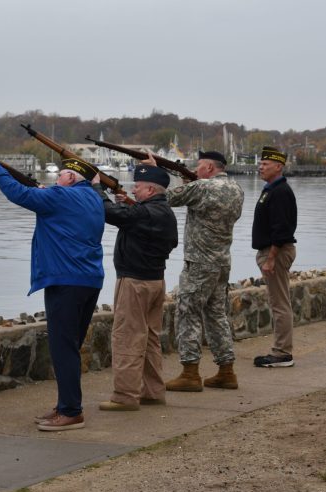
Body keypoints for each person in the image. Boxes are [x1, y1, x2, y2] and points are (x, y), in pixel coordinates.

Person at [0, 151, 105, 431]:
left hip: (64, 280)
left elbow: (18, 194)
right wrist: (51, 194)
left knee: (62, 348)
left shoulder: (60, 196)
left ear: (70, 177)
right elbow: (75, 196)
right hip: (89, 281)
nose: (56, 179)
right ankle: (65, 405)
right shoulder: (93, 197)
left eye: (60, 175)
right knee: (70, 346)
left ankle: (71, 411)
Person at [90, 165, 178, 411]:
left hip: (134, 282)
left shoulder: (145, 213)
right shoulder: (164, 212)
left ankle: (125, 396)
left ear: (150, 189)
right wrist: (129, 205)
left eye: (138, 187)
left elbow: (109, 212)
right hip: (155, 281)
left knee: (127, 337)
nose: (134, 191)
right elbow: (140, 223)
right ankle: (152, 391)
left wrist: (98, 188)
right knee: (149, 338)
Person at [160, 150, 244, 392]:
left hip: (198, 263)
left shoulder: (203, 188)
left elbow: (167, 198)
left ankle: (190, 372)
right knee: (217, 315)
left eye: (198, 167)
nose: (196, 171)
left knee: (188, 312)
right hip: (221, 261)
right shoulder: (236, 188)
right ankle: (226, 370)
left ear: (208, 168)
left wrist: (160, 170)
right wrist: (189, 179)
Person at [252, 146, 297, 368]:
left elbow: (282, 230)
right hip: (270, 250)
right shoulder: (272, 188)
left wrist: (270, 258)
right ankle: (281, 350)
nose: (260, 167)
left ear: (278, 167)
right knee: (278, 301)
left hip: (276, 252)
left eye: (265, 164)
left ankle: (282, 353)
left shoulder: (280, 192)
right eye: (260, 163)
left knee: (279, 303)